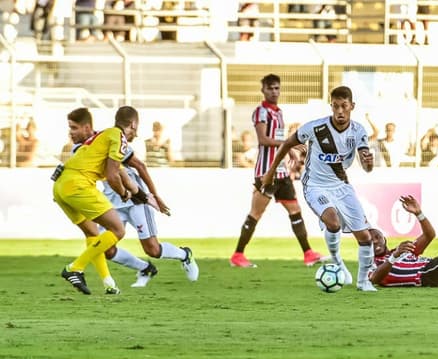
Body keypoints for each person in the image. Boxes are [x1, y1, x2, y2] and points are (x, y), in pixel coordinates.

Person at [261, 85, 378, 292]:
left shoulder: (358, 131)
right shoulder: (315, 128)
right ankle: (337, 262)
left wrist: (369, 162)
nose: (340, 111)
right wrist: (270, 173)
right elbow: (287, 144)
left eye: (344, 106)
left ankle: (363, 282)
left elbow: (367, 166)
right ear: (331, 106)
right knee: (332, 222)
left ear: (352, 106)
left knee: (366, 237)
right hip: (315, 186)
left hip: (342, 186)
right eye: (335, 106)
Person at [65, 108, 199, 288]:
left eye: (74, 128)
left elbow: (139, 167)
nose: (70, 133)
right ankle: (145, 269)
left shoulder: (109, 139)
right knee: (105, 248)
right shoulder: (77, 150)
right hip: (113, 201)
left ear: (87, 127)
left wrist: (153, 195)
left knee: (152, 249)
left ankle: (184, 254)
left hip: (135, 199)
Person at [230, 74, 326, 268]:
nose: (275, 92)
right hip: (267, 173)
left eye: (277, 88)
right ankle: (238, 255)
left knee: (295, 210)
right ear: (263, 90)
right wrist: (289, 144)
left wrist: (290, 150)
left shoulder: (279, 113)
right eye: (271, 88)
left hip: (282, 174)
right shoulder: (261, 112)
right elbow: (264, 140)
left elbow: (279, 139)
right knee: (255, 213)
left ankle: (308, 253)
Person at [54, 106, 139, 295]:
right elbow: (112, 175)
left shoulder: (103, 136)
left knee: (92, 232)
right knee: (117, 230)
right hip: (79, 185)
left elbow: (120, 171)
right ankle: (74, 268)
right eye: (136, 129)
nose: (137, 134)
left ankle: (109, 283)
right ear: (133, 124)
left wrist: (135, 190)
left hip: (61, 185)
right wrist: (124, 193)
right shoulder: (118, 137)